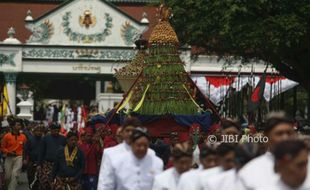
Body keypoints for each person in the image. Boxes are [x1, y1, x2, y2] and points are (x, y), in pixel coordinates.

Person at [238, 112, 296, 190]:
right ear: (266, 137)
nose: (285, 138)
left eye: (289, 133)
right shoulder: (250, 171)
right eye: (279, 133)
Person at [98, 117, 155, 187]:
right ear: (122, 132)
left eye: (133, 131)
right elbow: (104, 184)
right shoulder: (110, 153)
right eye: (127, 131)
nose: (130, 133)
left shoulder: (150, 153)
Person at [38, 123, 66, 190]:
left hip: (59, 165)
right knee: (45, 182)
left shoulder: (63, 139)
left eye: (57, 130)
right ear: (51, 130)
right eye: (54, 130)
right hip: (47, 164)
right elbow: (41, 152)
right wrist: (39, 164)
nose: (56, 132)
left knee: (58, 183)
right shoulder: (45, 138)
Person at [1, 118, 27, 190]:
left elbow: (25, 149)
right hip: (8, 157)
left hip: (19, 157)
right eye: (18, 125)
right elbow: (2, 147)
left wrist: (25, 159)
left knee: (15, 175)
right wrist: (8, 152)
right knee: (7, 176)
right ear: (13, 126)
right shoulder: (7, 136)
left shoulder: (23, 137)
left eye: (20, 125)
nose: (20, 126)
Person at [23, 125, 44, 190]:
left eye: (41, 131)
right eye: (37, 131)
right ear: (34, 132)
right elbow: (25, 150)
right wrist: (24, 159)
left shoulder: (44, 140)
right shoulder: (30, 140)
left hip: (41, 163)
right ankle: (31, 187)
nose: (39, 132)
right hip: (31, 162)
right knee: (30, 177)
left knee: (40, 179)